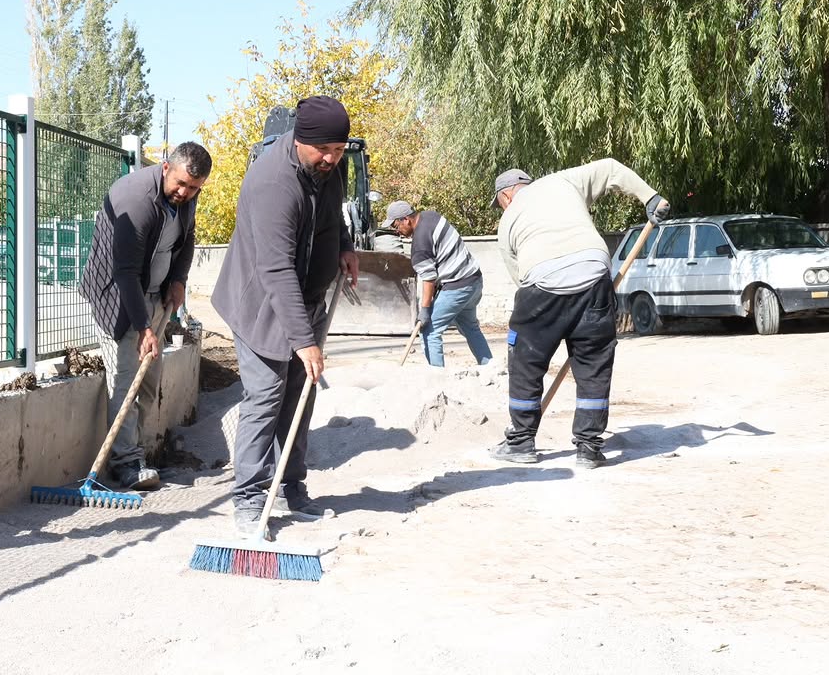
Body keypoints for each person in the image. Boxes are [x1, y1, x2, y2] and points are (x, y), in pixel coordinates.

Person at [212, 96, 360, 537]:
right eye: (325, 150)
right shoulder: (272, 182)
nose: (333, 158)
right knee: (265, 395)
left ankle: (293, 485)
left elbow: (333, 214)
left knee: (301, 396)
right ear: (301, 140)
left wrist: (344, 247)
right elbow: (274, 269)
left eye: (339, 148)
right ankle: (249, 499)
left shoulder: (329, 165)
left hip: (306, 296)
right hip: (260, 301)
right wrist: (304, 340)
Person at [490, 159, 670, 468]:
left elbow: (520, 279)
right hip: (594, 274)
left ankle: (520, 441)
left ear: (506, 196)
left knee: (525, 359)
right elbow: (611, 167)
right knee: (593, 361)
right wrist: (650, 197)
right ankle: (588, 448)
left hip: (541, 285)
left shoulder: (507, 223)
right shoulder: (563, 181)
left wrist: (549, 319)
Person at [79, 142, 212, 489]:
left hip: (156, 298)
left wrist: (179, 280)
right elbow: (124, 272)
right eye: (181, 184)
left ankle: (140, 452)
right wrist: (143, 328)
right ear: (166, 168)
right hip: (121, 300)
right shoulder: (136, 198)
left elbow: (188, 238)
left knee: (150, 383)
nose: (185, 193)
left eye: (194, 188)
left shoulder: (187, 194)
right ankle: (125, 464)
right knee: (126, 383)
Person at [381, 200, 492, 367]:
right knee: (469, 327)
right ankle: (489, 367)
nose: (396, 231)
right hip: (474, 280)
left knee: (429, 331)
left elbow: (429, 279)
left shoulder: (419, 245)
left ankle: (437, 377)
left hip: (458, 286)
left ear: (406, 219)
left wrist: (425, 310)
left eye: (396, 225)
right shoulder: (430, 216)